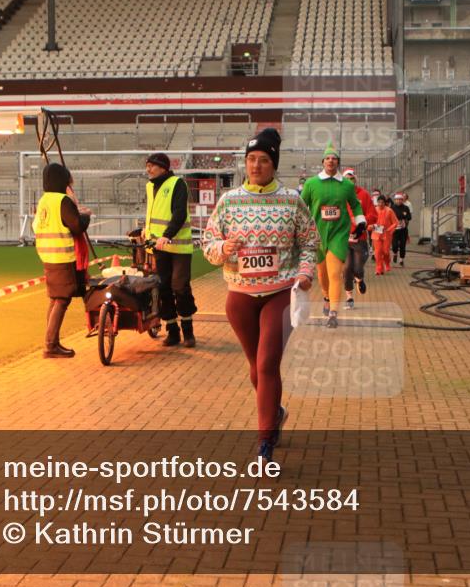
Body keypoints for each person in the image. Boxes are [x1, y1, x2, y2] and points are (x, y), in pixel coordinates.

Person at [202, 127, 319, 462]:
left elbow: (310, 242)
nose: (256, 166)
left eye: (263, 160)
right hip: (239, 296)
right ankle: (276, 412)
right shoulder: (229, 201)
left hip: (279, 293)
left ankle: (265, 443)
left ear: (274, 164)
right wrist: (224, 247)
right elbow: (208, 246)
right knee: (256, 368)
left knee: (267, 363)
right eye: (251, 159)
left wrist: (305, 272)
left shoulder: (292, 200)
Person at [300, 142, 366, 328]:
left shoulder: (346, 185)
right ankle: (327, 297)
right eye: (328, 158)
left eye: (334, 158)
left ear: (338, 163)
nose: (331, 161)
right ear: (323, 161)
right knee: (322, 274)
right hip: (317, 233)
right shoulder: (312, 184)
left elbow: (355, 204)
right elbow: (301, 206)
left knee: (335, 272)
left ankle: (333, 313)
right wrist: (298, 227)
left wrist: (360, 222)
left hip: (339, 233)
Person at [34, 163, 91, 358]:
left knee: (55, 298)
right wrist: (85, 216)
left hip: (48, 255)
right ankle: (50, 345)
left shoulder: (44, 201)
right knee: (62, 299)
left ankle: (52, 342)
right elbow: (76, 226)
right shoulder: (62, 201)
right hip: (62, 256)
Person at [144, 152, 197, 347]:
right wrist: (146, 231)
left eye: (151, 165)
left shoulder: (177, 183)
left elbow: (180, 213)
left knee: (179, 287)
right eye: (147, 165)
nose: (148, 169)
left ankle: (188, 332)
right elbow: (152, 213)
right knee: (163, 287)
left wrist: (167, 235)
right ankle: (172, 331)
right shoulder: (150, 186)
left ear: (163, 167)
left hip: (179, 246)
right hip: (159, 246)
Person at [341, 168, 377, 309]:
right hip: (343, 238)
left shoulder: (364, 195)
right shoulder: (340, 195)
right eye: (347, 179)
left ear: (355, 179)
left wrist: (359, 220)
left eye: (352, 179)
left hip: (360, 238)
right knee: (346, 269)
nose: (350, 181)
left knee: (357, 267)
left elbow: (373, 215)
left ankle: (360, 279)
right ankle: (349, 297)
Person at [371, 196, 398, 275]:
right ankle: (379, 268)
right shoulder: (374, 210)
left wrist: (389, 229)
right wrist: (371, 226)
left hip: (386, 234)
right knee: (378, 252)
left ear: (385, 203)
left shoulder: (389, 211)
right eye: (379, 202)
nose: (380, 204)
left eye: (382, 202)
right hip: (376, 234)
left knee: (385, 251)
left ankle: (387, 263)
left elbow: (395, 222)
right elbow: (370, 221)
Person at [390, 192, 412, 267]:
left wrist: (404, 220)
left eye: (400, 199)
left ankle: (401, 259)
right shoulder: (392, 208)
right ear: (395, 200)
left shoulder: (406, 208)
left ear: (402, 200)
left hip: (403, 230)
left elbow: (409, 217)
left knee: (402, 245)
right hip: (395, 229)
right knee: (394, 245)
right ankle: (395, 253)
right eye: (397, 200)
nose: (399, 201)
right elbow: (389, 217)